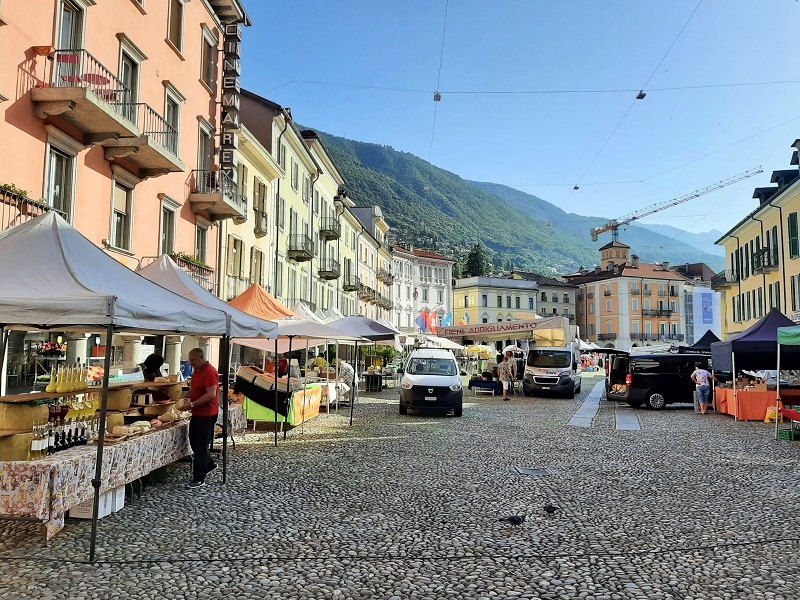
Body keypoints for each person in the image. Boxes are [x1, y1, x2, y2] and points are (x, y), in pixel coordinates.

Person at [183, 348, 219, 489]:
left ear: (200, 358)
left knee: (200, 445)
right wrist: (184, 399)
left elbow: (211, 394)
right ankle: (208, 464)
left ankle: (199, 477)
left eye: (192, 360)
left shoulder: (209, 371)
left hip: (207, 414)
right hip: (197, 413)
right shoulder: (197, 371)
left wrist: (192, 404)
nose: (190, 363)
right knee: (194, 441)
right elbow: (194, 388)